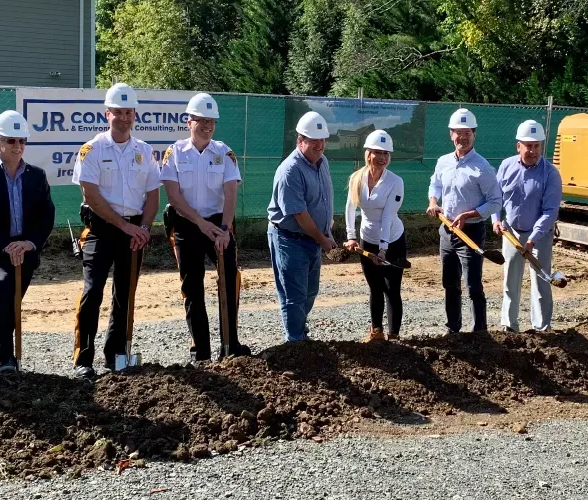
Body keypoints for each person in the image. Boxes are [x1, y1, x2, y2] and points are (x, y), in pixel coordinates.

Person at [70, 83, 161, 379]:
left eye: (128, 113)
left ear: (135, 115)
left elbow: (153, 195)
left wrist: (144, 228)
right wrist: (125, 226)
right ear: (107, 114)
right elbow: (91, 195)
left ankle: (116, 356)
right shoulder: (92, 150)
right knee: (92, 291)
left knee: (125, 294)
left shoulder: (145, 151)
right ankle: (83, 359)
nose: (123, 118)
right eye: (117, 112)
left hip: (134, 233)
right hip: (100, 230)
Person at [160, 93, 252, 362]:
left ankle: (230, 345)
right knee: (192, 288)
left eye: (211, 121)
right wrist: (201, 224)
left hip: (219, 224)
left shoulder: (224, 152)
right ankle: (200, 352)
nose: (207, 126)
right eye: (201, 120)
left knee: (229, 281)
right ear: (189, 122)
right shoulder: (174, 152)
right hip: (187, 225)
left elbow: (231, 193)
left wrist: (224, 229)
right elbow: (173, 196)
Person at [0, 110, 55, 375]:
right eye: (11, 140)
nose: (17, 146)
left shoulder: (37, 176)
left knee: (11, 301)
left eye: (22, 141)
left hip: (25, 249)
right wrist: (4, 245)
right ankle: (6, 357)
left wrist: (29, 243)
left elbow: (47, 214)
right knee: (4, 289)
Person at [426, 108, 502, 335]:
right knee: (450, 282)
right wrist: (433, 201)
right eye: (458, 132)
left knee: (473, 284)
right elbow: (435, 184)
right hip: (447, 230)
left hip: (471, 232)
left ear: (474, 134)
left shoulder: (483, 168)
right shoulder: (443, 162)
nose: (462, 137)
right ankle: (453, 328)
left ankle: (479, 332)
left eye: (467, 132)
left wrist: (469, 215)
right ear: (451, 134)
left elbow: (495, 201)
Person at [267, 111, 335, 342]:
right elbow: (300, 214)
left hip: (312, 238)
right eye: (313, 140)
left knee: (310, 291)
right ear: (300, 141)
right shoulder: (290, 170)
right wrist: (323, 239)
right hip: (290, 238)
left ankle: (299, 333)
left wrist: (327, 231)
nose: (319, 145)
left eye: (322, 140)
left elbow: (323, 200)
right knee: (294, 295)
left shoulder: (322, 162)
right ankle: (295, 342)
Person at [492, 120, 562, 332]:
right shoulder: (506, 166)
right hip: (511, 232)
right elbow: (496, 197)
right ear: (518, 146)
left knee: (541, 281)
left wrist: (532, 239)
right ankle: (509, 325)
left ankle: (542, 328)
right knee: (510, 280)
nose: (532, 151)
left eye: (536, 146)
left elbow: (550, 211)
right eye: (528, 146)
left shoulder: (550, 173)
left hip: (539, 236)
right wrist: (496, 219)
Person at [343, 130, 406, 342]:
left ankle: (394, 336)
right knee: (375, 287)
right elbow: (350, 208)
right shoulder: (357, 178)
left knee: (391, 288)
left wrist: (383, 249)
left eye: (386, 153)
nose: (382, 158)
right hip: (367, 239)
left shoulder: (396, 182)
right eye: (378, 152)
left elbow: (388, 216)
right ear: (368, 153)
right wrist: (351, 236)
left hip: (392, 241)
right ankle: (376, 332)